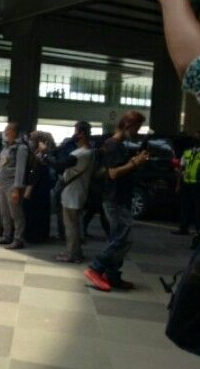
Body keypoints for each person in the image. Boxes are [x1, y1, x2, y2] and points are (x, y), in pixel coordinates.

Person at [84, 111, 149, 292]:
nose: (138, 132)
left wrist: (134, 161)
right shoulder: (113, 145)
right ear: (128, 126)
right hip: (115, 198)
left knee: (117, 238)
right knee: (124, 239)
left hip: (118, 197)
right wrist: (135, 163)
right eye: (137, 127)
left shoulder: (118, 145)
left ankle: (113, 277)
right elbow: (113, 173)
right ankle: (96, 267)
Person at [38, 121, 94, 263]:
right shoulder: (90, 151)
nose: (73, 135)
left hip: (72, 193)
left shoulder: (80, 153)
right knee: (73, 224)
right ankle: (74, 252)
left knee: (71, 226)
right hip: (77, 192)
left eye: (76, 132)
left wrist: (44, 155)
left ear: (81, 134)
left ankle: (73, 255)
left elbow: (59, 166)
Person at [0, 122, 29, 249]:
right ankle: (7, 236)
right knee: (5, 213)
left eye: (8, 129)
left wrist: (17, 188)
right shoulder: (6, 148)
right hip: (2, 184)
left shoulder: (21, 148)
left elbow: (20, 169)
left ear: (15, 132)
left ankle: (18, 239)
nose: (6, 132)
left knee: (16, 214)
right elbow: (1, 167)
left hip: (12, 184)